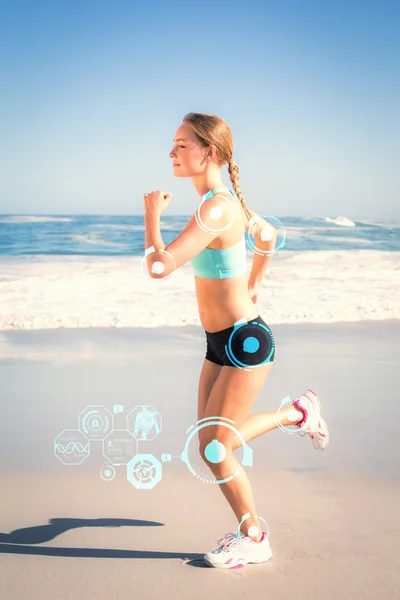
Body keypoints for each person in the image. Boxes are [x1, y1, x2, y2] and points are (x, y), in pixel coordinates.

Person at [143, 112, 329, 569]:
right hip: (219, 342)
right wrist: (254, 282)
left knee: (215, 447)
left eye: (181, 144)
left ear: (210, 152)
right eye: (173, 144)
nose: (172, 153)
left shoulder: (217, 207)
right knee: (210, 445)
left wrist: (150, 216)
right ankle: (297, 412)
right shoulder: (220, 202)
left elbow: (160, 266)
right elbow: (265, 235)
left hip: (245, 341)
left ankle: (255, 535)